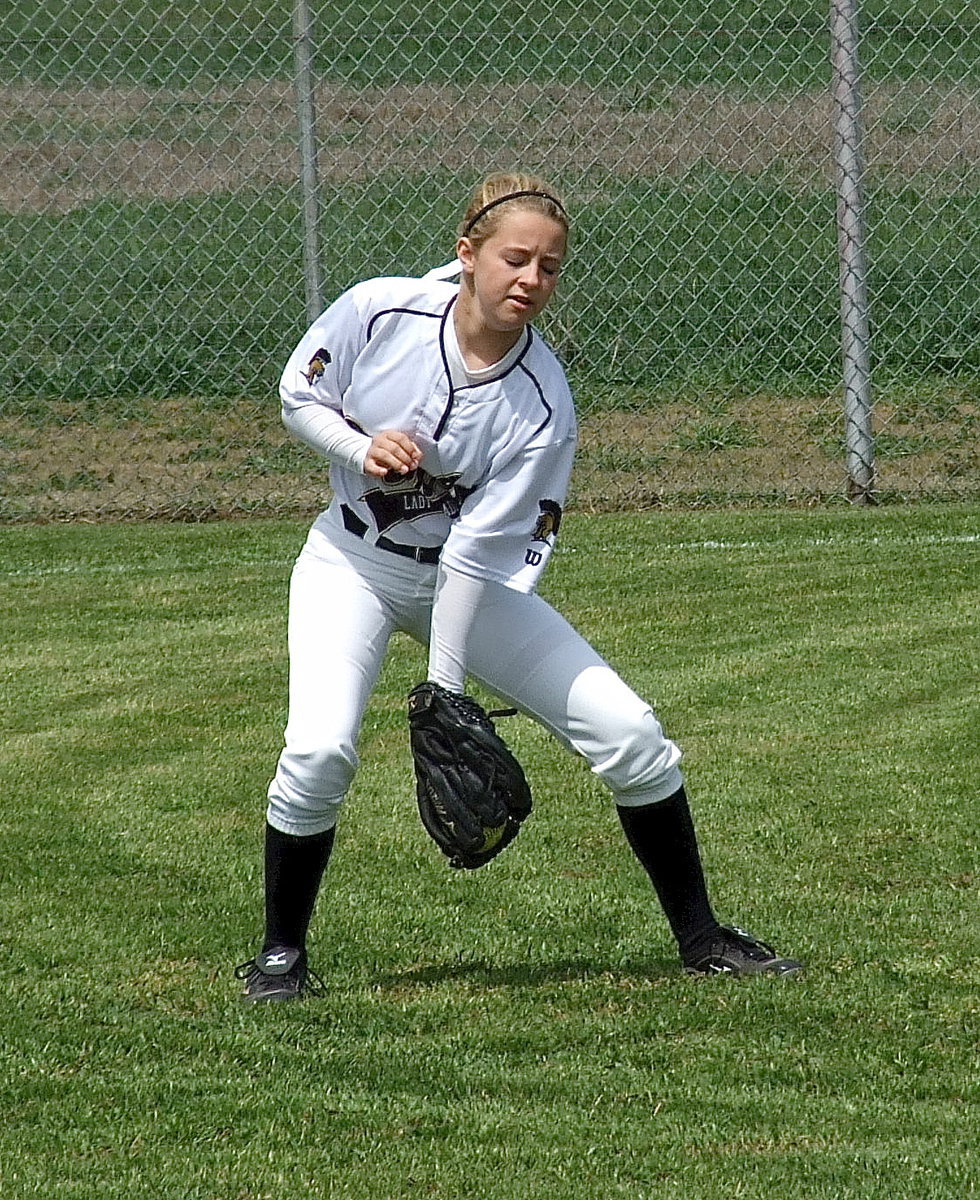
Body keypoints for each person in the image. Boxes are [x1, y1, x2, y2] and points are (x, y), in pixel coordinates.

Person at [234, 172, 803, 1002]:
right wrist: (360, 451)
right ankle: (281, 955)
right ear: (468, 255)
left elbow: (473, 555)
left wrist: (444, 688)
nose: (531, 279)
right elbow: (298, 396)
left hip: (468, 585)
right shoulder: (379, 311)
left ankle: (702, 936)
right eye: (515, 258)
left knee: (633, 736)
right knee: (318, 750)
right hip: (348, 564)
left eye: (550, 266)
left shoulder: (542, 403)